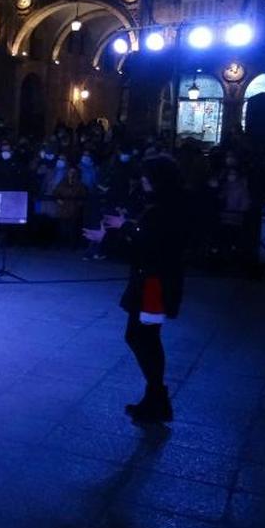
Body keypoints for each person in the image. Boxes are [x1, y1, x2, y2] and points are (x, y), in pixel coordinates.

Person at [84, 155, 186, 423]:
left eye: (147, 176)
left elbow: (151, 241)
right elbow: (143, 237)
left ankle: (158, 397)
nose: (142, 180)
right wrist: (113, 234)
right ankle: (155, 396)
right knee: (142, 336)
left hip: (154, 284)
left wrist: (124, 227)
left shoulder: (166, 208)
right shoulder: (161, 205)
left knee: (143, 337)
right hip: (150, 280)